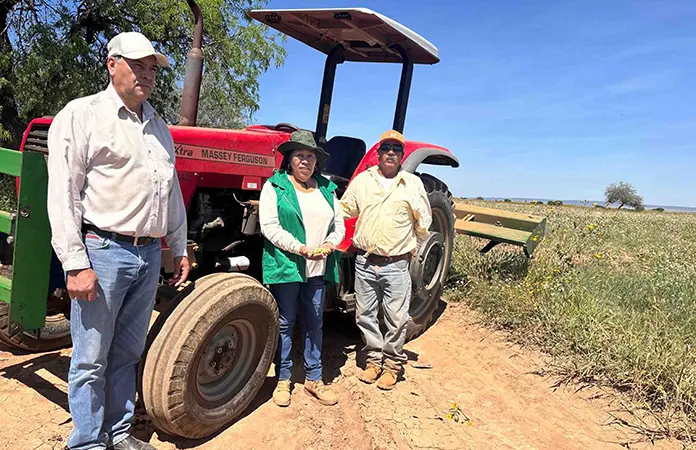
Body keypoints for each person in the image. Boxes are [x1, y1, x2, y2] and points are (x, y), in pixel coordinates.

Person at [46, 32, 190, 450]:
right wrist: (76, 263)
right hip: (104, 251)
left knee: (127, 351)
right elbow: (64, 193)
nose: (147, 75)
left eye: (152, 69)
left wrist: (179, 246)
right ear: (112, 65)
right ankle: (87, 442)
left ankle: (119, 432)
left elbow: (170, 192)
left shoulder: (159, 127)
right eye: (138, 65)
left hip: (148, 252)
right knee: (91, 356)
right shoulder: (83, 115)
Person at [339, 129, 432, 390]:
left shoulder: (412, 184)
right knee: (365, 316)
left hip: (396, 265)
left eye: (396, 149)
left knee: (397, 319)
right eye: (386, 148)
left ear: (402, 156)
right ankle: (373, 361)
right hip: (365, 262)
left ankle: (392, 366)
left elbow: (424, 223)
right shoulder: (362, 181)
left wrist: (413, 250)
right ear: (378, 153)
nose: (391, 153)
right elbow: (344, 210)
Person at [259, 130, 345, 407]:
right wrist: (300, 248)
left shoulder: (327, 189)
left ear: (316, 161)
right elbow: (269, 227)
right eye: (299, 155)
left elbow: (339, 226)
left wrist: (330, 243)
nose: (305, 161)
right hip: (288, 265)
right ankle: (283, 378)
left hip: (317, 267)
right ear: (290, 159)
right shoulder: (275, 187)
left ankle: (313, 378)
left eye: (310, 156)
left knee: (314, 322)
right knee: (285, 322)